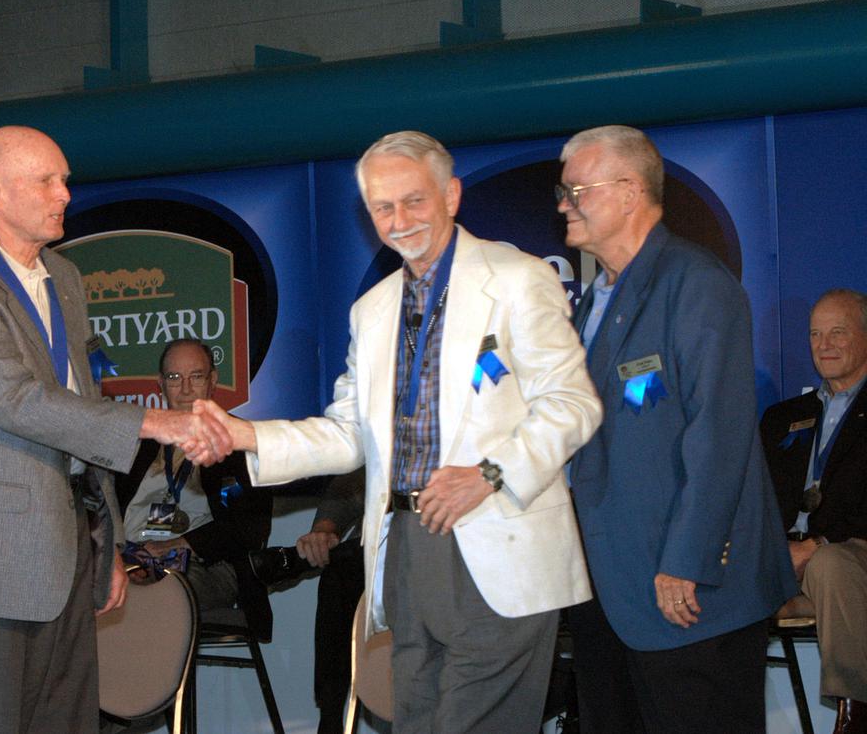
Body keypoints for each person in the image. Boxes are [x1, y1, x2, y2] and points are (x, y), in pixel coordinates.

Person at [199, 130, 602, 733]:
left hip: (499, 544)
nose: (400, 219)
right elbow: (347, 433)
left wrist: (489, 475)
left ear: (452, 194)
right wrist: (244, 437)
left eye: (414, 200)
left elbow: (574, 403)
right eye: (383, 207)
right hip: (406, 548)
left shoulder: (516, 278)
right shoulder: (375, 308)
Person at [0, 125, 231, 733]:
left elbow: (79, 409)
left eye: (65, 180)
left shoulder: (65, 278)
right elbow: (17, 401)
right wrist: (153, 421)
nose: (64, 194)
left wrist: (104, 543)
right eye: (47, 180)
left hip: (66, 556)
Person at [557, 124, 796, 734]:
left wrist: (686, 560)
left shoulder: (696, 283)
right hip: (607, 593)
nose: (564, 203)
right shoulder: (590, 302)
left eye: (576, 189)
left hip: (686, 588)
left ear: (630, 192)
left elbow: (718, 433)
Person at [115, 339, 273, 637]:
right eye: (175, 378)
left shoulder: (240, 442)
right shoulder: (137, 444)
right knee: (92, 590)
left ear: (212, 381)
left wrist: (181, 545)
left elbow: (250, 528)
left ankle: (156, 684)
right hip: (131, 560)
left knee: (153, 595)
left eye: (196, 377)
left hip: (205, 565)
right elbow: (103, 508)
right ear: (160, 385)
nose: (186, 389)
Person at [761, 288, 867, 734]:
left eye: (837, 333)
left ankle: (855, 707)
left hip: (850, 548)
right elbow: (755, 497)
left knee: (827, 565)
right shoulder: (783, 417)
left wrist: (816, 543)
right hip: (784, 556)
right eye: (815, 334)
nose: (824, 345)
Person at [250, 469, 365, 734]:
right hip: (368, 556)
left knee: (344, 563)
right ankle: (330, 715)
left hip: (438, 552)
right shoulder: (393, 433)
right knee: (339, 574)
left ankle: (289, 561)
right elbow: (353, 482)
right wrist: (325, 528)